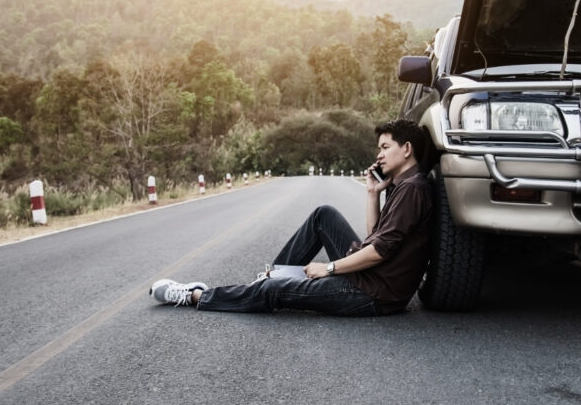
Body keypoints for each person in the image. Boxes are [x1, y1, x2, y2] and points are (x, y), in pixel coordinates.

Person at [149, 119, 433, 316]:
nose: (379, 155)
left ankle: (196, 295)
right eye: (379, 148)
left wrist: (330, 268)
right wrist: (372, 193)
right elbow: (375, 239)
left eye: (385, 147)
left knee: (274, 291)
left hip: (373, 295)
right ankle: (269, 281)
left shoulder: (412, 189)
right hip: (369, 278)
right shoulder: (402, 185)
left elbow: (378, 252)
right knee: (324, 215)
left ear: (406, 149)